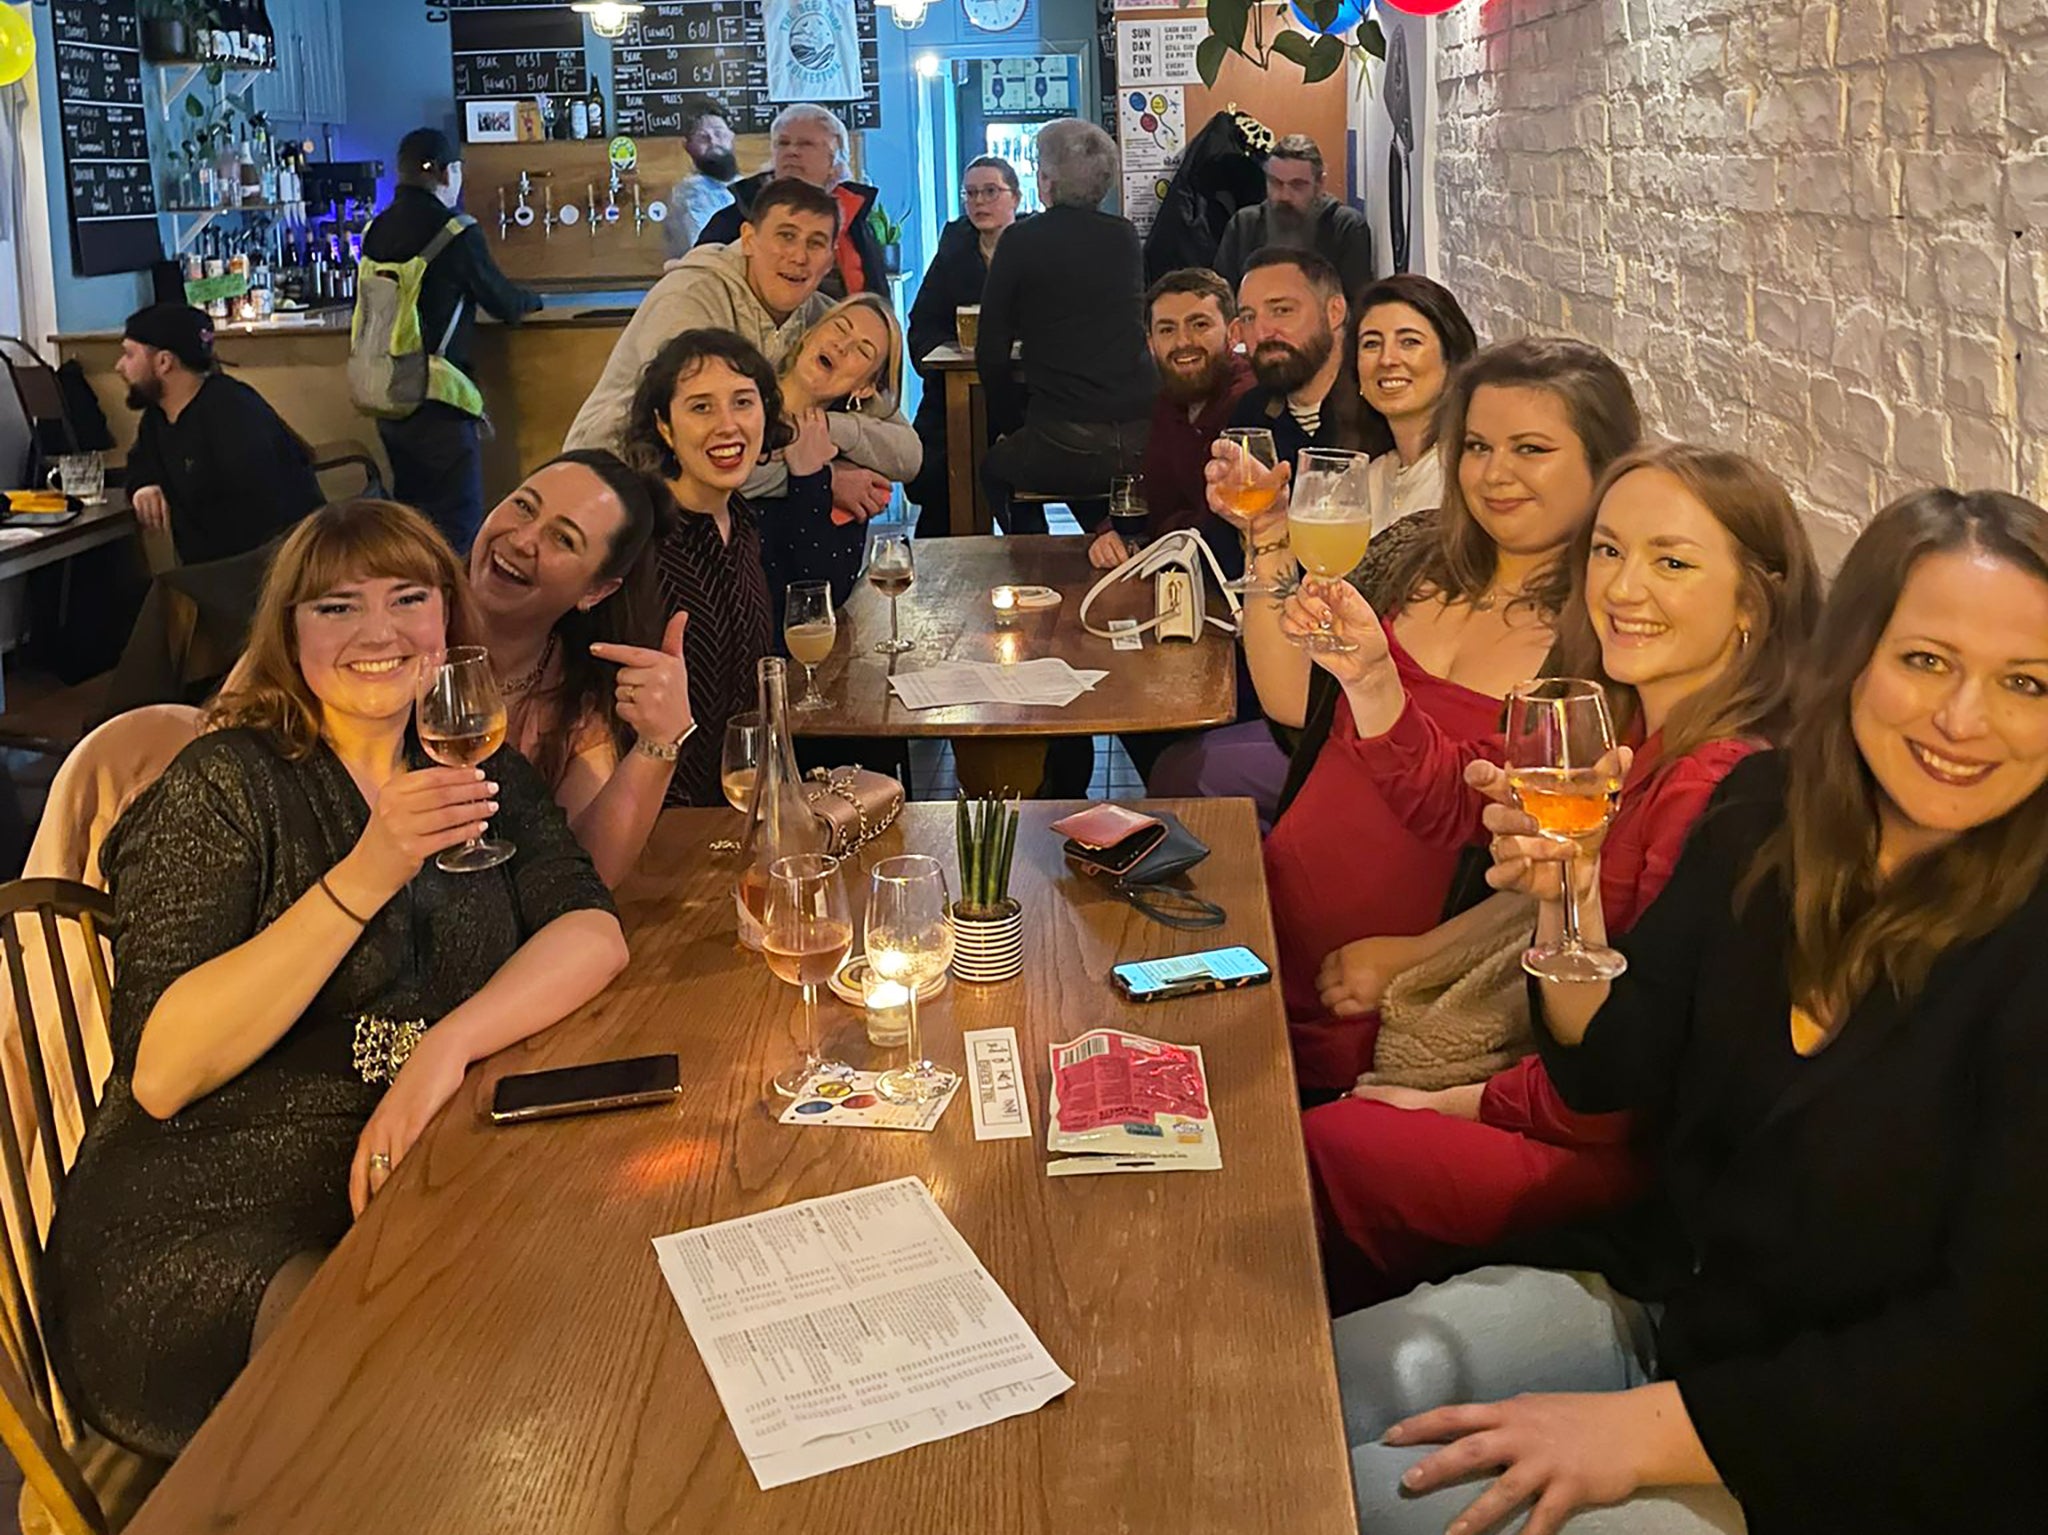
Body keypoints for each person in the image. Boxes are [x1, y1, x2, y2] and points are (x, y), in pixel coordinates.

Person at [1339, 488, 2048, 1535]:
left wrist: (1637, 1433)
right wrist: (1564, 893)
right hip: (1684, 1309)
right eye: (1924, 659)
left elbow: (1979, 1354)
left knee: (1350, 1495)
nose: (1960, 720)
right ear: (1853, 654)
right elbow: (1611, 1064)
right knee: (1306, 1388)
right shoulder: (1762, 812)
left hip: (1870, 1445)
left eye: (2024, 682)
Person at [41, 500, 628, 1459]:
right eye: (336, 607)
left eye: (408, 598)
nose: (380, 632)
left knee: (585, 1321)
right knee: (409, 1389)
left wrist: (447, 1046)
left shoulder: (468, 762)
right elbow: (161, 1071)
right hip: (209, 1219)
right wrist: (366, 872)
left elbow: (591, 930)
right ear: (289, 633)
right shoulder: (223, 784)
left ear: (447, 619)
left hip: (408, 1177)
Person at [1300, 444, 1822, 1307]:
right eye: (1609, 551)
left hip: (1617, 1157)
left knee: (1324, 1149)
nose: (1622, 587)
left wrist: (1457, 1105)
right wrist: (1370, 675)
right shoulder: (1612, 721)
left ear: (1752, 606)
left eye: (1673, 562)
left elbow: (1624, 1084)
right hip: (1558, 1076)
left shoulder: (1718, 785)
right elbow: (1465, 800)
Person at [1243, 338, 1642, 1090]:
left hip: (1371, 987)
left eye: (1531, 448)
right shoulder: (1412, 554)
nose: (1495, 473)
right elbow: (1292, 701)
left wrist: (1415, 958)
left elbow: (1512, 839)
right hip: (1268, 914)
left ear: (1603, 463)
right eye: (1478, 445)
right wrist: (1266, 536)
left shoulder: (1599, 641)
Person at [1144, 274, 1481, 817]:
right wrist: (1263, 528)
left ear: (1454, 359)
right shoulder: (1365, 475)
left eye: (1410, 341)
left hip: (1400, 727)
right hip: (1327, 698)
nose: (1388, 359)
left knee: (1186, 771)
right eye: (1372, 344)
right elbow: (1301, 596)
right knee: (1177, 756)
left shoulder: (1469, 484)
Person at [466, 450, 695, 887]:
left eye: (563, 539)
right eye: (524, 506)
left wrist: (659, 744)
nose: (522, 540)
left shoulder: (574, 698)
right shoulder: (400, 630)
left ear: (596, 590)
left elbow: (585, 875)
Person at [618, 329, 792, 807]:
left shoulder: (742, 520)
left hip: (740, 813)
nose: (728, 425)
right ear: (665, 428)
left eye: (743, 402)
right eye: (700, 407)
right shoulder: (639, 540)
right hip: (660, 825)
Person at [360, 127, 543, 552]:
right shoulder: (455, 232)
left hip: (387, 392)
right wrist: (535, 300)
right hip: (438, 399)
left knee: (414, 524)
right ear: (447, 172)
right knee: (456, 529)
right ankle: (452, 614)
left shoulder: (375, 230)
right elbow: (504, 303)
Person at [563, 178, 838, 455]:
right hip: (614, 474)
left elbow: (882, 425)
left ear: (829, 261)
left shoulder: (829, 321)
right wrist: (816, 473)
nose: (799, 257)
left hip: (731, 484)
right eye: (786, 236)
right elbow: (694, 443)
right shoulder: (689, 298)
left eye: (815, 243)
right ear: (748, 240)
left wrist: (833, 436)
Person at [978, 119, 1155, 536]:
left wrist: (1011, 424)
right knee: (1085, 472)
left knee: (996, 468)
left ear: (1047, 180)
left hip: (1063, 443)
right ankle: (1100, 536)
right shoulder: (1125, 237)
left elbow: (990, 351)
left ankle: (1033, 562)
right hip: (1138, 437)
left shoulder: (1021, 240)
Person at [115, 303, 322, 565]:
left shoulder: (232, 411)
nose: (119, 366)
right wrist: (143, 486)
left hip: (274, 567)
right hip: (214, 573)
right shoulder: (157, 418)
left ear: (164, 362)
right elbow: (139, 463)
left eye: (129, 355)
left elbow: (268, 514)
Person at [1087, 267, 1254, 573]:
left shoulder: (1248, 403)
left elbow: (1217, 531)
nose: (1182, 342)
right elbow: (1151, 495)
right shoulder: (1170, 399)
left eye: (1199, 324)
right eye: (1167, 330)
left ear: (1233, 333)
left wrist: (1155, 535)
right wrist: (1111, 533)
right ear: (1151, 344)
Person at [756, 294, 908, 627]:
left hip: (787, 648)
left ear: (865, 388)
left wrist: (809, 480)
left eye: (863, 350)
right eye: (840, 328)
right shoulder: (739, 404)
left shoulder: (853, 460)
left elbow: (829, 591)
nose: (842, 346)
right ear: (808, 335)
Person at [906, 156, 1024, 538]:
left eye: (991, 191)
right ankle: (941, 565)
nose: (979, 202)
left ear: (1016, 198)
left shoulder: (1036, 247)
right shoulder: (953, 252)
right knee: (938, 461)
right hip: (957, 392)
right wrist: (946, 354)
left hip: (1024, 389)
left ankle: (1025, 553)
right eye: (970, 194)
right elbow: (922, 324)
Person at [695, 104, 886, 300]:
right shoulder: (734, 219)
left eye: (805, 144)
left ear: (834, 162)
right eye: (783, 143)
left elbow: (877, 298)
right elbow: (698, 286)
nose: (792, 151)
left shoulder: (855, 221)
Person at [1225, 248, 1364, 475]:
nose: (1261, 333)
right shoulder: (1251, 416)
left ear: (1334, 312)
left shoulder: (1378, 409)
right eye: (1249, 317)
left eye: (1281, 310)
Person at [1213, 135, 1375, 297]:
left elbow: (1356, 303)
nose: (1284, 196)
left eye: (1297, 185)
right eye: (1276, 183)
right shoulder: (1244, 225)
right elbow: (1222, 298)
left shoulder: (1345, 226)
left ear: (1319, 184)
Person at [661, 95, 740, 258]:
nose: (713, 142)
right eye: (703, 137)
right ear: (687, 147)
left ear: (732, 137)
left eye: (719, 133)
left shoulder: (744, 186)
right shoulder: (690, 193)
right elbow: (708, 253)